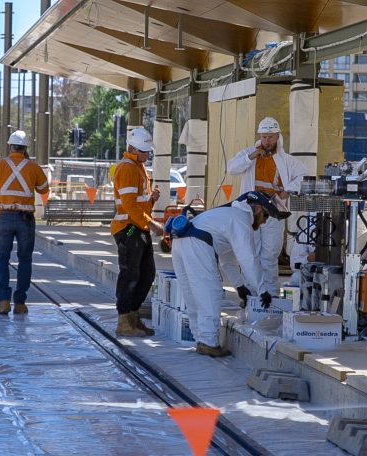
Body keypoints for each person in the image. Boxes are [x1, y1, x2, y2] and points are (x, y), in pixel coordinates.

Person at [169, 190, 290, 357]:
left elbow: (227, 258)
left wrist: (239, 286)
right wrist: (262, 290)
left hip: (180, 242)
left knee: (193, 295)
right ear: (258, 209)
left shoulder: (229, 215)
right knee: (209, 293)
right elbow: (248, 259)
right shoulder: (241, 220)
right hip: (197, 244)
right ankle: (209, 342)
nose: (263, 222)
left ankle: (201, 339)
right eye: (266, 216)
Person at [227, 117, 308, 295]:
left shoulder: (286, 160)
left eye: (270, 137)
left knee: (270, 256)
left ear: (278, 137)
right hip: (251, 212)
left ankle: (270, 295)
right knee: (251, 255)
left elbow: (303, 175)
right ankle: (253, 295)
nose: (267, 141)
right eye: (264, 137)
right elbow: (232, 168)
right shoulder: (250, 154)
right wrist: (252, 156)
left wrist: (287, 191)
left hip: (273, 212)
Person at [0, 131, 50, 315]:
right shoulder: (33, 167)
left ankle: (4, 301)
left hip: (4, 216)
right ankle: (20, 303)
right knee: (25, 259)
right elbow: (44, 189)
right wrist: (29, 170)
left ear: (10, 146)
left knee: (2, 258)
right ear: (25, 148)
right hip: (25, 219)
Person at [111, 127, 163, 337]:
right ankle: (124, 320)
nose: (147, 155)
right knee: (130, 274)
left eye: (148, 151)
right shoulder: (127, 168)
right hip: (128, 229)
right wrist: (151, 223)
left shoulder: (139, 167)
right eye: (144, 151)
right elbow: (130, 205)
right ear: (132, 148)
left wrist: (151, 200)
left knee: (146, 273)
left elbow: (139, 204)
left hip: (138, 227)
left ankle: (132, 316)